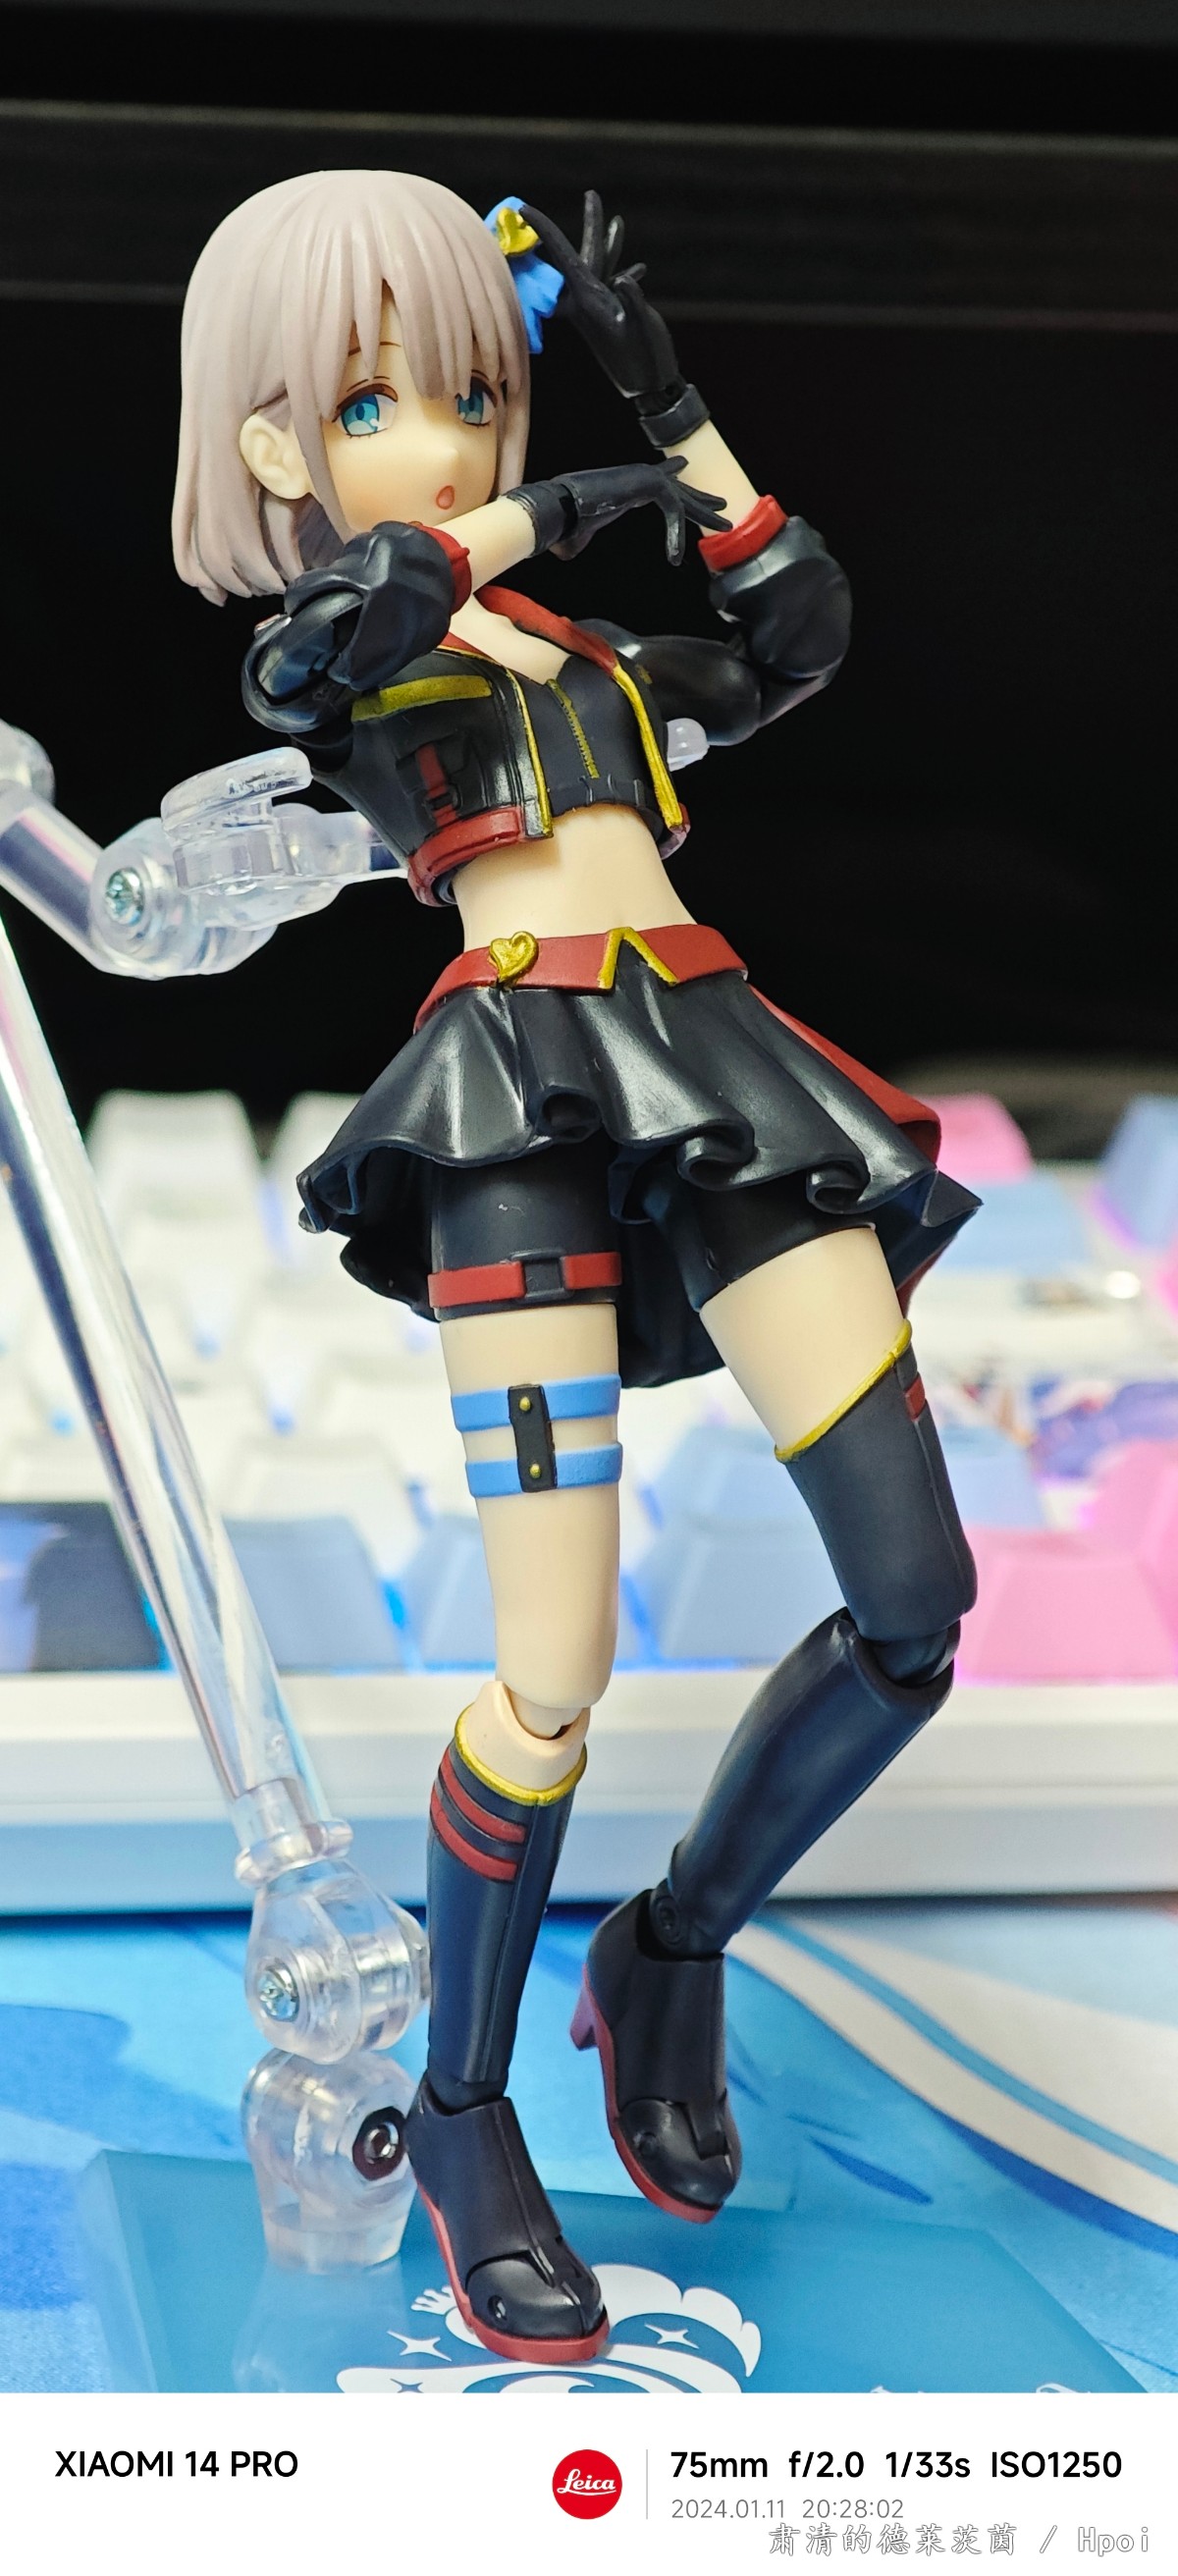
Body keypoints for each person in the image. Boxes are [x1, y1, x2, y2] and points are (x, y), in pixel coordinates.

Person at [174, 168, 978, 2366]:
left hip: (721, 1070)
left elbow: (793, 638)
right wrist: (539, 510)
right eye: (372, 403)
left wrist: (673, 411)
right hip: (516, 1109)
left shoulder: (610, 664)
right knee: (552, 1667)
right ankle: (458, 2112)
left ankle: (673, 1945)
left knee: (914, 1604)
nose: (442, 438)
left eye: (471, 390)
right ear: (277, 444)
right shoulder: (368, 652)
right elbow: (323, 641)